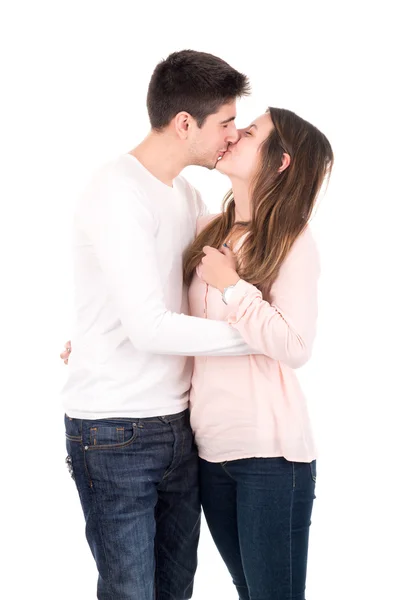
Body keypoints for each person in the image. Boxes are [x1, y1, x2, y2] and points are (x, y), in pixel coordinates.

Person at [61, 49, 263, 600]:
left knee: (175, 590)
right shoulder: (116, 191)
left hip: (177, 425)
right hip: (114, 429)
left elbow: (174, 296)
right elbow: (150, 326)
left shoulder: (185, 193)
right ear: (184, 124)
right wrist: (259, 337)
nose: (232, 135)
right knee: (131, 592)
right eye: (225, 123)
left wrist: (96, 329)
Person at [183, 107, 333, 599]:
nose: (232, 136)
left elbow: (295, 345)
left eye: (248, 133)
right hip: (209, 450)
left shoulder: (293, 241)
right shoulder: (207, 229)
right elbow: (167, 319)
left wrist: (233, 288)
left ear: (281, 162)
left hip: (271, 456)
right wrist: (105, 339)